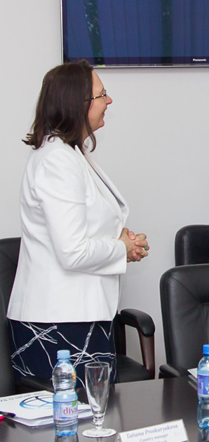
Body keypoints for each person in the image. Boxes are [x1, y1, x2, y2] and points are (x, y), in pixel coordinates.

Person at [7, 61, 149, 386]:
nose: (109, 101)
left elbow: (82, 226)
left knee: (98, 413)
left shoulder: (71, 154)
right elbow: (72, 251)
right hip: (59, 324)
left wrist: (122, 241)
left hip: (79, 316)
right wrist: (120, 247)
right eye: (101, 95)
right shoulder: (57, 161)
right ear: (77, 104)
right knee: (82, 416)